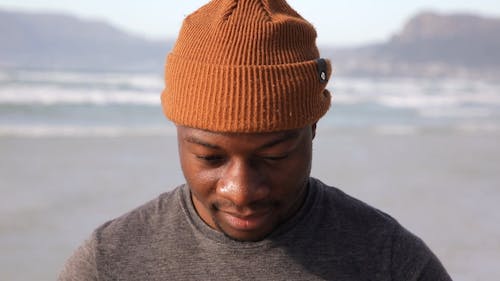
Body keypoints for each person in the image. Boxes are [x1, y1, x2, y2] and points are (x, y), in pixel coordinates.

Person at [59, 0, 452, 280]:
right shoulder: (108, 263)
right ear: (178, 134)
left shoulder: (390, 262)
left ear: (313, 128)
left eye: (275, 155)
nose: (241, 191)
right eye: (210, 157)